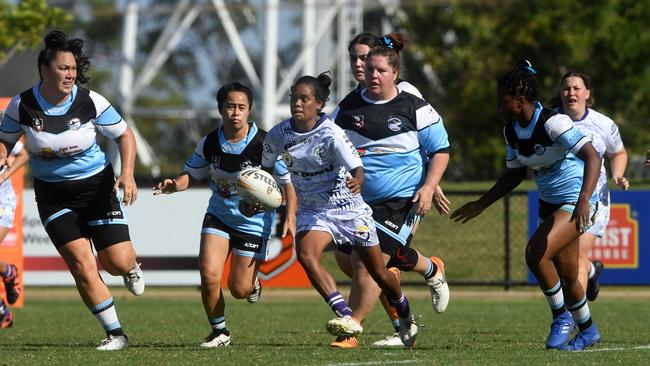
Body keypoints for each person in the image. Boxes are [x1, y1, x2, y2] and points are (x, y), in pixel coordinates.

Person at [0, 30, 144, 350]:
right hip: (54, 197)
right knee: (82, 263)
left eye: (73, 68)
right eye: (64, 68)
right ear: (44, 70)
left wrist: (129, 174)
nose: (70, 74)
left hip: (97, 188)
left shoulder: (90, 101)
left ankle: (131, 266)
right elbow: (5, 142)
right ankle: (115, 334)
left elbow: (125, 135)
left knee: (117, 262)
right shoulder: (21, 106)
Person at [450, 61, 602, 351]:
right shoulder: (511, 131)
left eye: (502, 101)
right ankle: (588, 330)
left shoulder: (552, 122)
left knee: (536, 253)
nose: (498, 107)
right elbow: (515, 172)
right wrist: (482, 203)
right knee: (569, 275)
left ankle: (561, 318)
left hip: (576, 200)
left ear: (519, 101)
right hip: (550, 204)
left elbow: (593, 157)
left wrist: (584, 200)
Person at [261, 72, 418, 347]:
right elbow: (264, 169)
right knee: (307, 254)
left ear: (319, 104)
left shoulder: (331, 134)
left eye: (304, 98)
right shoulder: (278, 135)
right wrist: (259, 192)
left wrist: (358, 180)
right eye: (294, 98)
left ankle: (404, 312)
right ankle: (346, 315)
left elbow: (357, 167)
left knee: (380, 273)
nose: (297, 103)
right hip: (314, 210)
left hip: (347, 208)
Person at [330, 33, 451, 348]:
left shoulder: (412, 102)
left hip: (402, 200)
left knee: (369, 262)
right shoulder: (347, 107)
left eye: (375, 67)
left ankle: (351, 328)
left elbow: (440, 149)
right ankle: (424, 281)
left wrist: (429, 186)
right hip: (358, 202)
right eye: (363, 65)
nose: (368, 72)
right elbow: (328, 146)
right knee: (359, 265)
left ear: (394, 72)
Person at [153, 81, 295, 348]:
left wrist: (290, 215)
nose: (236, 112)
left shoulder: (266, 143)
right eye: (230, 106)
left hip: (253, 222)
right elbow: (190, 175)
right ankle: (219, 332)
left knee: (239, 290)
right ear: (221, 109)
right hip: (218, 216)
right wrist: (175, 185)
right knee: (208, 275)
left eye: (242, 107)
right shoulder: (209, 141)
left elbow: (287, 183)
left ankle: (252, 284)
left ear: (249, 110)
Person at [557, 71, 629, 302]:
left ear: (587, 93)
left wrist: (617, 175)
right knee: (563, 259)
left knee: (576, 258)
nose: (571, 93)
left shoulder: (603, 124)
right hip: (560, 199)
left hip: (595, 200)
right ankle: (592, 271)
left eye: (577, 88)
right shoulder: (551, 121)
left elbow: (617, 152)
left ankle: (578, 323)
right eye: (567, 88)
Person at [0, 141, 29, 329]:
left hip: (2, 201)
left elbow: (24, 155)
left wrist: (4, 176)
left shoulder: (2, 132)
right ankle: (8, 272)